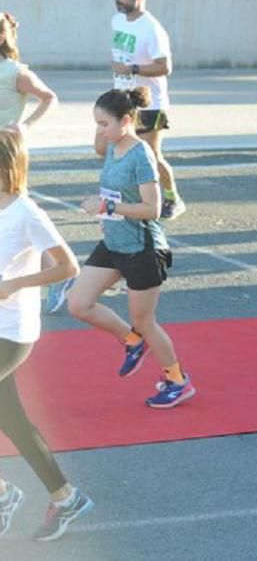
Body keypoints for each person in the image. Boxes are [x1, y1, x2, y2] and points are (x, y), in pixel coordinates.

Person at [67, 88, 195, 409]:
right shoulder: (112, 145)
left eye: (104, 123)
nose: (99, 130)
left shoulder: (141, 155)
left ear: (126, 121)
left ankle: (177, 380)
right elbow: (99, 145)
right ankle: (132, 341)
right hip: (113, 243)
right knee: (79, 303)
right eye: (96, 123)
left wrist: (107, 207)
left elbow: (153, 208)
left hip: (142, 249)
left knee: (145, 321)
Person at [0, 131, 94, 542]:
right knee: (12, 420)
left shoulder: (26, 212)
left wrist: (18, 282)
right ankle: (66, 497)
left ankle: (2, 495)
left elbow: (68, 266)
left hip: (11, 332)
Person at [0, 13, 69, 314]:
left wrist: (25, 126)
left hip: (7, 156)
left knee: (21, 216)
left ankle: (56, 275)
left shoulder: (14, 72)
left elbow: (49, 97)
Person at [108, 0, 184, 220]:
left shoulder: (152, 28)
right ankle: (129, 198)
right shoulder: (117, 21)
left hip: (150, 103)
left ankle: (172, 197)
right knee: (114, 149)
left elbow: (165, 67)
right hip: (123, 99)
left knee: (151, 154)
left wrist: (133, 69)